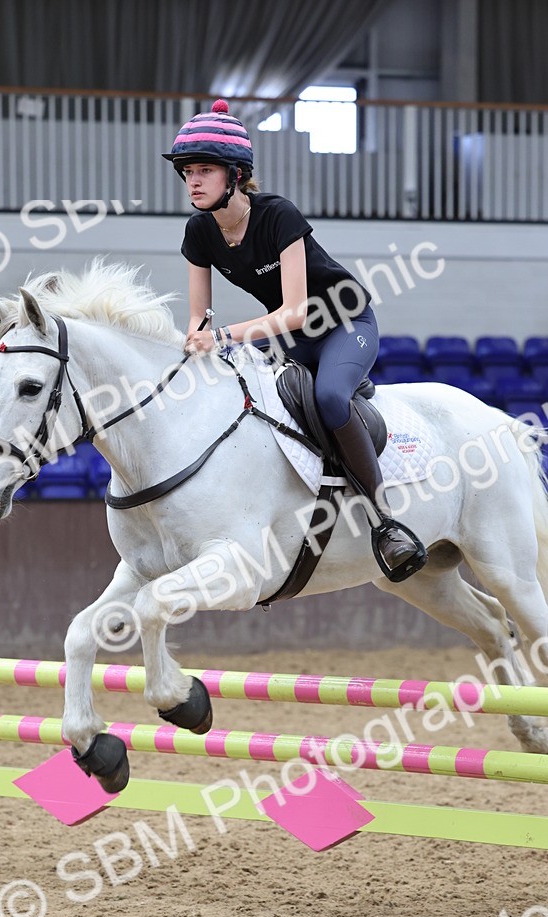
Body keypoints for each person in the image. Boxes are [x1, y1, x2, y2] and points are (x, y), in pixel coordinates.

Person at [163, 99, 425, 583]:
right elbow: (200, 315)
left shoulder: (278, 214)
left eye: (203, 170)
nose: (192, 181)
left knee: (328, 395)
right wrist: (195, 340)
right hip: (292, 338)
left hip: (343, 322)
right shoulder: (198, 231)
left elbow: (296, 311)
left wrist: (220, 336)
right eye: (186, 171)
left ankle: (385, 521)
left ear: (236, 175)